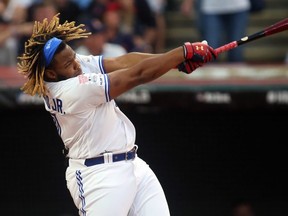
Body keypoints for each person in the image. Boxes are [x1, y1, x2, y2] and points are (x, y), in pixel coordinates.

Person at [17, 14, 217, 216]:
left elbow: (123, 62)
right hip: (99, 176)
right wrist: (182, 52)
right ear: (51, 74)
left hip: (133, 165)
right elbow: (135, 75)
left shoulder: (70, 66)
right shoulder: (71, 90)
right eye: (68, 64)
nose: (77, 65)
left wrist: (174, 62)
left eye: (73, 57)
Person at [181, 0, 251, 62]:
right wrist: (188, 2)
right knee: (211, 48)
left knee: (236, 51)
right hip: (211, 8)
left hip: (239, 7)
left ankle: (236, 75)